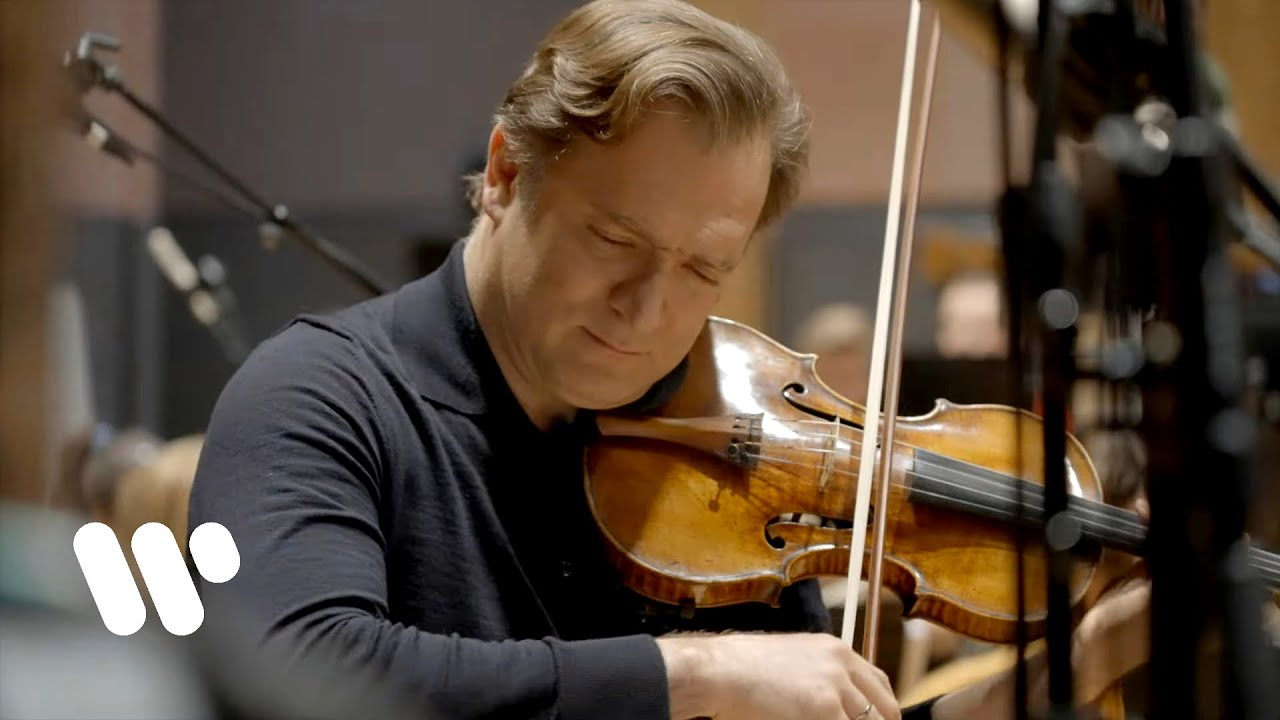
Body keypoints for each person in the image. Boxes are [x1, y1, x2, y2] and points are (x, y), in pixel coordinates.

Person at [187, 2, 1155, 719]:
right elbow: (295, 667)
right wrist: (689, 674)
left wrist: (1055, 678)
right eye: (613, 240)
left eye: (703, 268)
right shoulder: (317, 396)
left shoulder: (739, 462)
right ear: (504, 173)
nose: (650, 311)